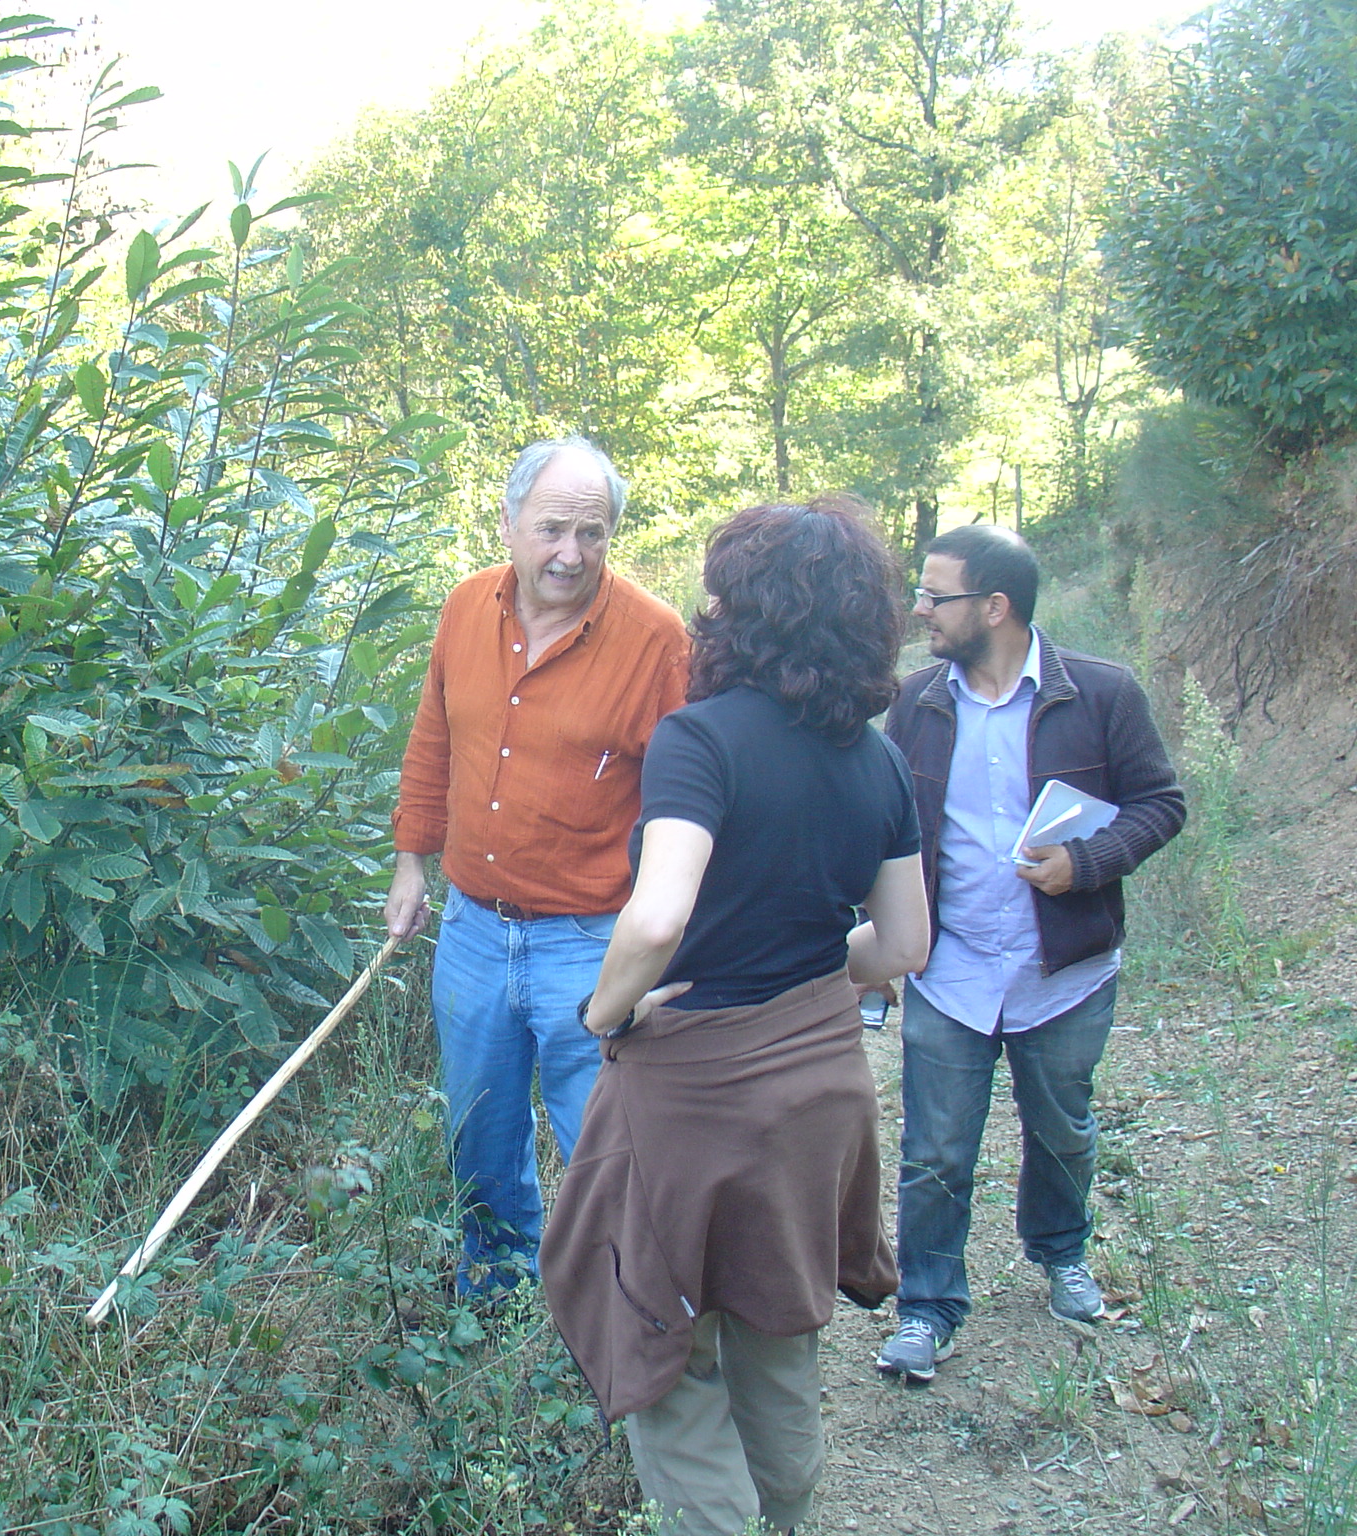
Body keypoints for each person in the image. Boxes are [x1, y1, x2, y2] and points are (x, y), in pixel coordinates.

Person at [542, 495, 931, 1536]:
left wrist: (600, 1011)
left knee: (667, 1355)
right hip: (818, 1095)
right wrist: (802, 970)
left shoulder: (697, 743)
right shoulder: (879, 761)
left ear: (739, 616)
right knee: (778, 1337)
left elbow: (657, 914)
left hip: (695, 1099)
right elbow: (899, 949)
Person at [875, 523, 1186, 1383]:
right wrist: (885, 944)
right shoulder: (919, 702)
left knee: (1062, 1132)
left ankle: (1059, 1253)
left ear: (995, 606)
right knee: (935, 1148)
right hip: (951, 968)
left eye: (937, 595)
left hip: (1066, 973)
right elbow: (888, 827)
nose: (922, 609)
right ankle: (927, 1308)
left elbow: (1161, 805)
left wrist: (1085, 863)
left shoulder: (1103, 693)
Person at [384, 436, 691, 1294]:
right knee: (479, 1128)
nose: (570, 554)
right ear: (509, 522)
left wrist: (675, 947)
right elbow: (433, 737)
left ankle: (625, 1312)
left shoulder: (655, 642)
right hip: (473, 928)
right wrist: (413, 863)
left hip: (592, 942)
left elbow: (692, 803)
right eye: (552, 528)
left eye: (592, 534)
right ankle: (495, 1282)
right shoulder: (465, 609)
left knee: (607, 1142)